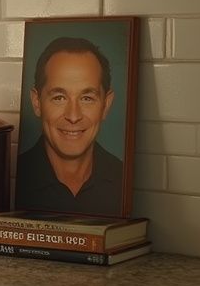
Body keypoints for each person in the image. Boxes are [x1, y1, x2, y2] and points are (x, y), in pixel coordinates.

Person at [15, 36, 125, 216]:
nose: (73, 116)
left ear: (106, 104)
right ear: (37, 102)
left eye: (87, 98)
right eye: (59, 98)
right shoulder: (9, 181)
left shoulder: (126, 180)